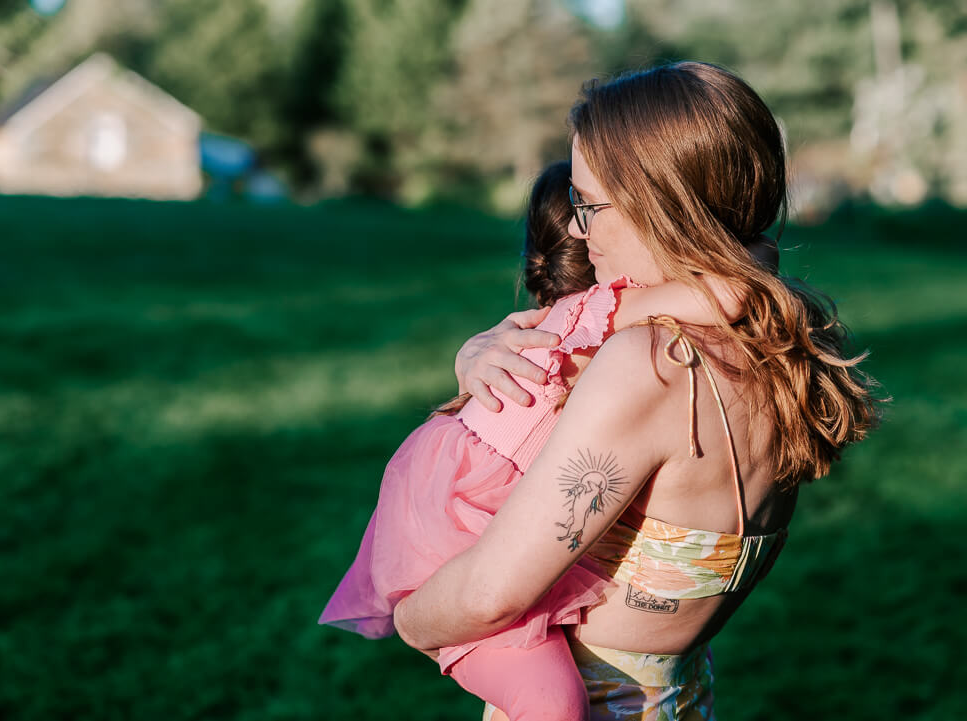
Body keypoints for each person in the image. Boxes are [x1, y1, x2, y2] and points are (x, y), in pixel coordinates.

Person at [392, 62, 881, 720]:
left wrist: (407, 617)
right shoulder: (777, 340)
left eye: (590, 205)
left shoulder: (649, 365)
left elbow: (488, 594)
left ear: (662, 206)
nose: (580, 231)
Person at [319, 159, 773, 720]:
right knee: (549, 700)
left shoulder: (591, 327)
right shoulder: (605, 321)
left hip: (461, 496)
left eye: (596, 209)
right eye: (581, 211)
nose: (586, 227)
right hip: (460, 511)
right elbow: (735, 289)